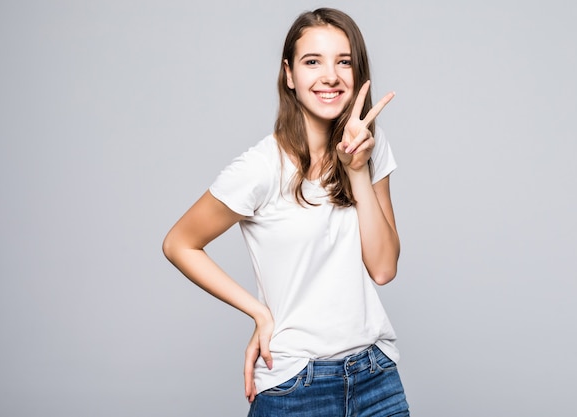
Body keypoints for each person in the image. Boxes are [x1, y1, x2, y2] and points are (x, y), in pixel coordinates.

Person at [163, 7, 410, 417]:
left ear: (357, 72)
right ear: (290, 75)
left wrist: (357, 170)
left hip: (375, 374)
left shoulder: (370, 145)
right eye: (312, 61)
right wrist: (259, 312)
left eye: (343, 61)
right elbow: (179, 243)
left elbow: (383, 268)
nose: (330, 75)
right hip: (296, 384)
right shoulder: (261, 167)